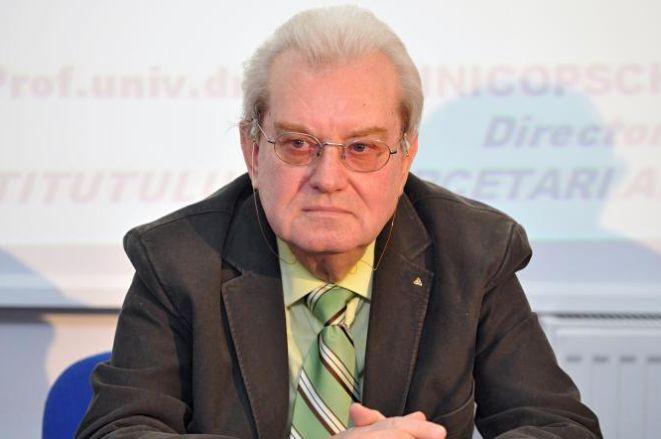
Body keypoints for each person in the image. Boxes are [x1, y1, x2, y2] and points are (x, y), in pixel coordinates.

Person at [76, 5, 602, 439]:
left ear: (405, 157)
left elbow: (560, 428)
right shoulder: (178, 259)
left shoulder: (474, 253)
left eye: (362, 148)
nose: (328, 178)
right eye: (297, 144)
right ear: (253, 151)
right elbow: (119, 430)